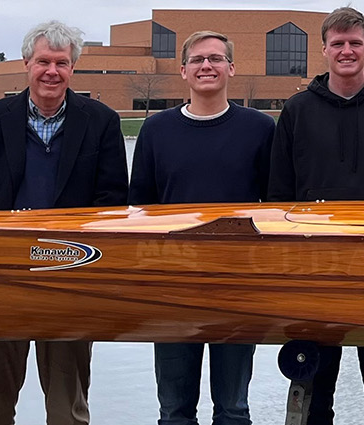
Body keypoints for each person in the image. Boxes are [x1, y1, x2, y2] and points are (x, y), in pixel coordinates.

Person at [0, 21, 126, 425]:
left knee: (68, 411)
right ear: (26, 63)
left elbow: (113, 204)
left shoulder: (101, 122)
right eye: (43, 61)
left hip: (71, 280)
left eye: (62, 63)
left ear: (72, 68)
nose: (51, 71)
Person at [267, 7, 364, 425]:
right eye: (338, 43)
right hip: (313, 270)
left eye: (355, 42)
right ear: (324, 50)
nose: (347, 50)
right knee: (316, 391)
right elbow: (278, 194)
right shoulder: (297, 110)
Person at [130, 30, 274, 425]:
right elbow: (139, 211)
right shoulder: (157, 131)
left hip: (238, 285)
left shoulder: (259, 129)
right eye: (197, 60)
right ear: (182, 71)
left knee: (233, 409)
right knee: (175, 411)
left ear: (231, 67)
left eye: (215, 58)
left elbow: (275, 207)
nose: (206, 66)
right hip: (172, 286)